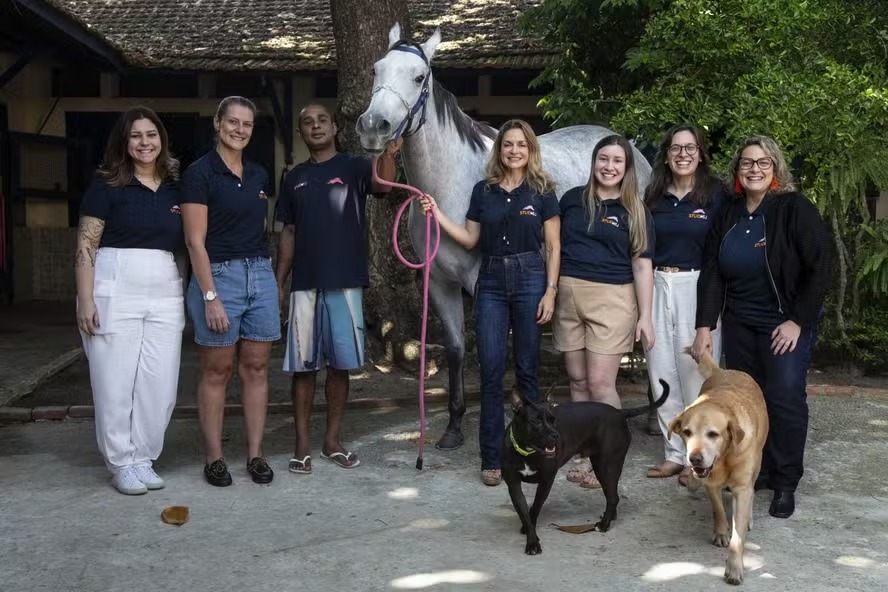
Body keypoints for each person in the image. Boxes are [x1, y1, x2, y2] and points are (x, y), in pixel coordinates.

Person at [692, 136, 831, 519]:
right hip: (740, 324)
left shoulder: (794, 209)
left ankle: (785, 481)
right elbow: (714, 272)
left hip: (783, 324)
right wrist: (704, 326)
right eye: (747, 163)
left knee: (784, 397)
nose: (754, 169)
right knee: (745, 403)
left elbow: (821, 267)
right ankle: (760, 471)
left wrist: (797, 321)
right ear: (738, 172)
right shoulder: (729, 213)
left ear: (775, 170)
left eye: (763, 163)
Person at [420, 119, 560, 487]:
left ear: (531, 150)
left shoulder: (543, 192)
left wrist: (551, 290)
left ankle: (529, 451)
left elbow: (554, 246)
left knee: (528, 368)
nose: (514, 150)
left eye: (521, 145)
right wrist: (436, 214)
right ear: (499, 151)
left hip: (531, 276)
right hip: (493, 280)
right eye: (508, 145)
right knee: (492, 370)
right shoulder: (484, 191)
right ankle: (492, 456)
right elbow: (469, 239)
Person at [275, 104, 400, 476]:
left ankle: (331, 441)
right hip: (305, 285)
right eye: (308, 122)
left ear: (334, 128)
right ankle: (301, 445)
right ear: (301, 133)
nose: (316, 126)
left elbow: (384, 185)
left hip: (346, 283)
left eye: (322, 120)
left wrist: (388, 153)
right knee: (303, 369)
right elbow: (289, 232)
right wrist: (278, 281)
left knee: (340, 367)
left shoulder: (354, 167)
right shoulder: (293, 177)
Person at [74, 106, 185, 495]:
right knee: (114, 381)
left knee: (160, 382)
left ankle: (143, 457)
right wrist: (85, 298)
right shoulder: (106, 184)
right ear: (124, 141)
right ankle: (121, 461)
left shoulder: (175, 186)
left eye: (151, 135)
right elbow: (87, 244)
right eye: (136, 135)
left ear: (161, 140)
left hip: (164, 287)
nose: (144, 142)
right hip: (114, 284)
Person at [181, 96, 279, 487]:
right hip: (218, 277)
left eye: (247, 125)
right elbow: (194, 242)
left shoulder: (257, 175)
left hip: (260, 273)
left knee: (255, 368)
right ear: (218, 123)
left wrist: (269, 281)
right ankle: (215, 458)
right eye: (233, 122)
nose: (240, 130)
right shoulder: (199, 173)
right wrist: (210, 296)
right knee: (217, 370)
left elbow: (261, 230)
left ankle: (255, 455)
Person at [554, 134, 654, 489]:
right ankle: (584, 452)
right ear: (594, 162)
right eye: (603, 159)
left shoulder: (635, 210)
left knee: (600, 383)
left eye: (617, 161)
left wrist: (646, 316)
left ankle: (607, 456)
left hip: (613, 298)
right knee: (578, 382)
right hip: (568, 295)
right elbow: (552, 247)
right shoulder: (570, 201)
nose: (609, 167)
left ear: (626, 168)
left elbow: (642, 265)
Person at [643, 125, 728, 486]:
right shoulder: (654, 196)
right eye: (676, 148)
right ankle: (674, 454)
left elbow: (719, 256)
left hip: (699, 284)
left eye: (690, 148)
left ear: (700, 153)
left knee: (696, 374)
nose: (683, 154)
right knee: (661, 370)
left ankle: (700, 462)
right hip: (659, 282)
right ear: (666, 155)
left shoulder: (716, 195)